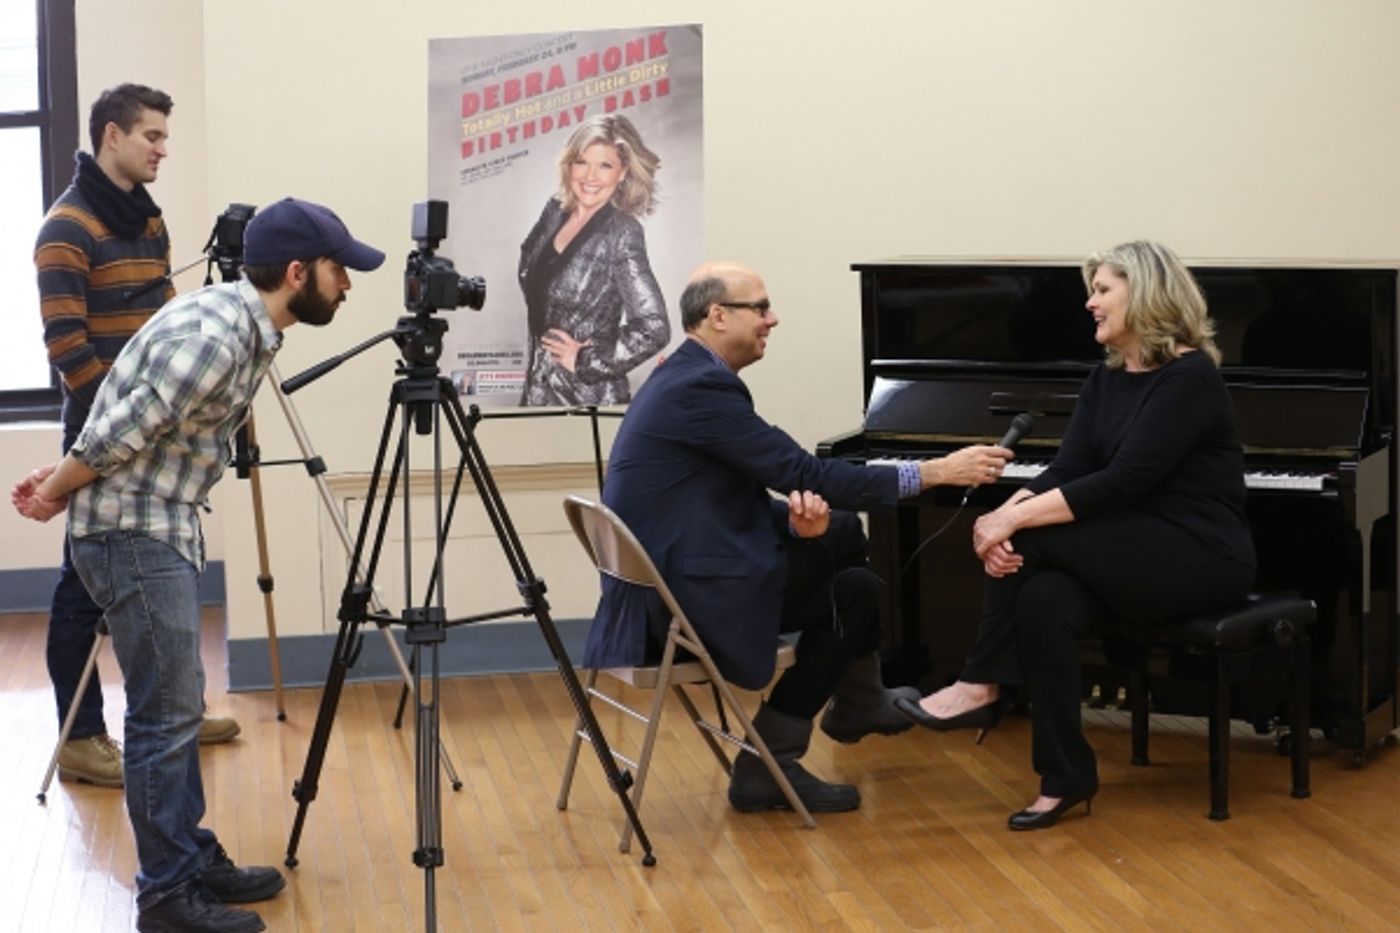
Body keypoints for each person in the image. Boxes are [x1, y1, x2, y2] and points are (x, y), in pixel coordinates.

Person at [12, 197, 386, 933]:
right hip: (132, 531)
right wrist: (54, 492)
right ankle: (167, 896)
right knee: (162, 716)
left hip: (155, 525)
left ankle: (188, 854)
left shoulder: (245, 327)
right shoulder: (218, 332)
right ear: (296, 270)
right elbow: (120, 428)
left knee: (175, 709)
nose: (348, 284)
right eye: (339, 269)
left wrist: (61, 486)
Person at [586, 261, 1014, 813]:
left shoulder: (683, 373)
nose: (773, 319)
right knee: (854, 591)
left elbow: (715, 496)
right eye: (760, 308)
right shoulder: (701, 387)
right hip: (676, 602)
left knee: (836, 530)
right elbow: (804, 475)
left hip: (667, 576)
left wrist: (791, 524)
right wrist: (933, 472)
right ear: (717, 316)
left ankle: (859, 701)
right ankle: (771, 763)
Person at [896, 240, 1257, 831]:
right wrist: (1003, 512)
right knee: (1045, 599)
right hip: (1131, 551)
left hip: (1200, 556)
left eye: (1102, 289)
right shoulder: (1108, 376)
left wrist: (1013, 524)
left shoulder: (1189, 377)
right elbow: (1069, 468)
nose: (1090, 303)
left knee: (1032, 543)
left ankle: (981, 681)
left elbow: (1121, 482)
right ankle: (1065, 777)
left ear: (1144, 293)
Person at [33, 82, 239, 791]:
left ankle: (177, 708)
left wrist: (176, 408)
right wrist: (118, 432)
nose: (162, 148)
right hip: (102, 427)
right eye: (151, 135)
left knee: (171, 567)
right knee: (82, 589)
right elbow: (68, 350)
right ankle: (81, 737)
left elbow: (169, 320)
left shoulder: (146, 221)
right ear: (112, 136)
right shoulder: (66, 227)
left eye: (164, 135)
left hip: (157, 423)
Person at [517, 113, 670, 406]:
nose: (590, 177)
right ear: (569, 164)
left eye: (605, 166)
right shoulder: (554, 212)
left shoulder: (622, 232)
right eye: (581, 162)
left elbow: (654, 327)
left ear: (622, 172)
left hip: (589, 399)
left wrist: (586, 359)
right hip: (537, 390)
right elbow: (534, 282)